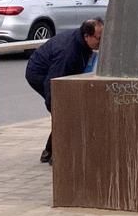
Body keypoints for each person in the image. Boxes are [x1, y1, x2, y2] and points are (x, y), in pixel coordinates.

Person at [25, 18, 104, 164]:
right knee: (65, 113)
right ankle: (57, 155)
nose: (102, 42)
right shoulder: (67, 53)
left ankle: (49, 152)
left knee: (67, 112)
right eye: (99, 38)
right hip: (39, 73)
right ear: (87, 36)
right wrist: (54, 106)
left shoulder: (82, 43)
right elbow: (53, 83)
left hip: (55, 72)